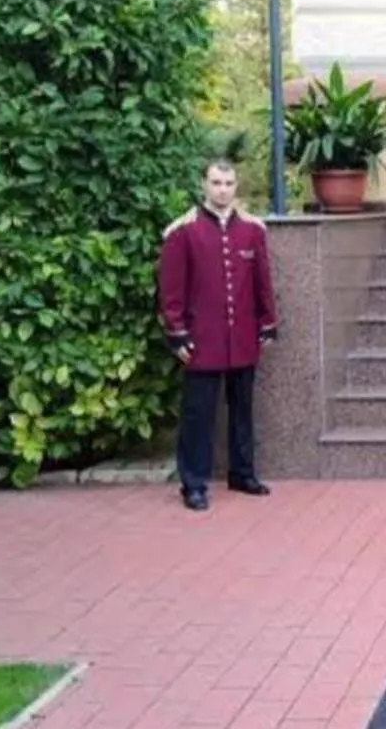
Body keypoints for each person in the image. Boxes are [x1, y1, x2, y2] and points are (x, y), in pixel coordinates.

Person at [156, 159, 279, 511]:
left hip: (241, 335)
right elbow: (172, 290)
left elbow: (262, 282)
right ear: (204, 185)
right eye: (216, 182)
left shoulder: (253, 231)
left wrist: (268, 321)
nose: (222, 189)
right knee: (199, 414)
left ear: (236, 186)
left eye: (228, 183)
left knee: (242, 409)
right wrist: (177, 333)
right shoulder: (184, 231)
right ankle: (193, 483)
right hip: (202, 338)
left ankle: (242, 473)